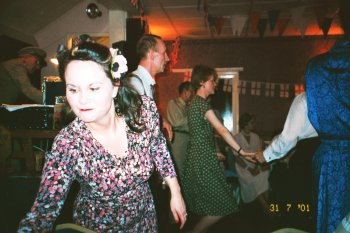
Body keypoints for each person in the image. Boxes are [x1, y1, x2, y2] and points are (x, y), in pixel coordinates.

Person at [17, 42, 186, 232]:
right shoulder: (69, 142)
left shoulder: (143, 111)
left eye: (94, 88)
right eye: (73, 89)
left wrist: (176, 191)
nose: (81, 100)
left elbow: (157, 146)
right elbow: (43, 210)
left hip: (145, 219)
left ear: (115, 87)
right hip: (96, 226)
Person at [182, 64, 254, 233]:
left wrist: (213, 153)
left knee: (211, 206)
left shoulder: (195, 103)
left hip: (200, 158)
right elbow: (221, 130)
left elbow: (199, 136)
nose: (215, 84)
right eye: (212, 81)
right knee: (224, 205)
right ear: (202, 82)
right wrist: (241, 151)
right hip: (202, 162)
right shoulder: (202, 104)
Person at [126, 34, 173, 140]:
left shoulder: (145, 82)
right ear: (151, 54)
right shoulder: (135, 83)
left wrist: (162, 119)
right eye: (164, 53)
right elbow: (135, 129)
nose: (167, 58)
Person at [233, 113, 270, 215]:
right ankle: (267, 208)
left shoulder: (256, 137)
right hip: (243, 168)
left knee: (264, 174)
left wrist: (259, 166)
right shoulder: (237, 138)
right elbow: (236, 157)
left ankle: (266, 205)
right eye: (252, 123)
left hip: (255, 166)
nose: (254, 124)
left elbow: (259, 154)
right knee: (252, 180)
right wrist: (249, 169)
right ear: (245, 124)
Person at [166, 81, 193, 181]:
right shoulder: (173, 103)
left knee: (187, 171)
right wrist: (191, 117)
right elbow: (176, 122)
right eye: (191, 91)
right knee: (179, 171)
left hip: (188, 140)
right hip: (178, 140)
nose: (192, 94)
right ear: (185, 92)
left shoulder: (188, 107)